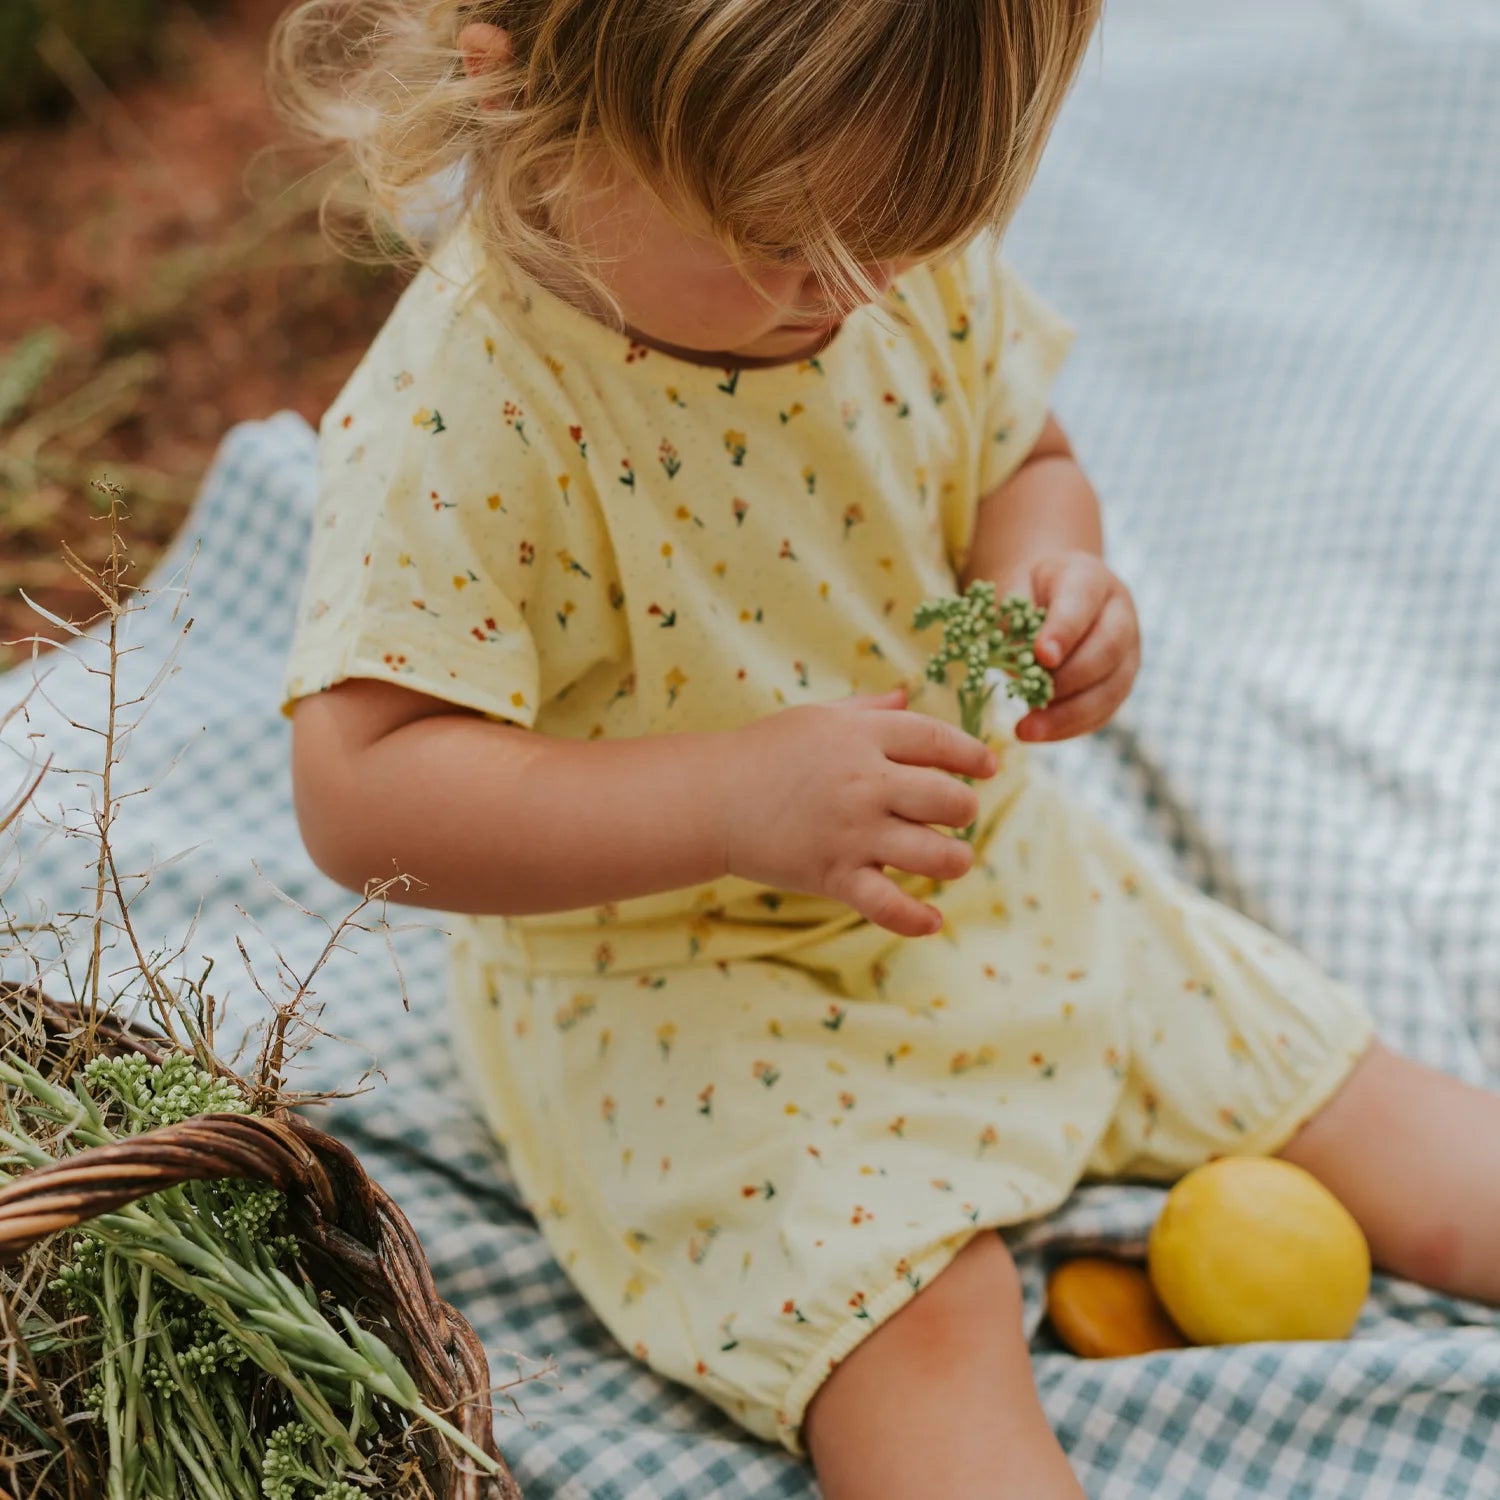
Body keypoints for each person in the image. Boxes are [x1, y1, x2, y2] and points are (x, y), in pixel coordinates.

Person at [271, 4, 1500, 1494]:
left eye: (897, 240)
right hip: (688, 992)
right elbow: (363, 789)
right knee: (918, 1324)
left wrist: (1055, 577)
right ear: (521, 86)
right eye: (785, 242)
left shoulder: (874, 247)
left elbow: (1023, 459)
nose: (846, 292)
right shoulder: (465, 407)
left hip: (992, 883)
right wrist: (731, 799)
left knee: (1361, 1101)